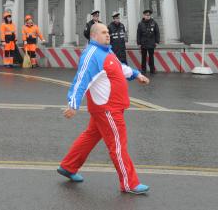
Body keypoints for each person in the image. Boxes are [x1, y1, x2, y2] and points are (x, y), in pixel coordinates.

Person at [58, 23, 151, 194]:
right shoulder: (92, 54)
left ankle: (68, 167)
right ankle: (130, 183)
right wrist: (73, 104)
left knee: (90, 137)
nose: (108, 35)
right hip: (108, 110)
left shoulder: (106, 51)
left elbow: (119, 68)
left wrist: (137, 74)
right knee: (118, 145)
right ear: (94, 36)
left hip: (108, 108)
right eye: (103, 32)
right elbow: (81, 80)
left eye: (108, 32)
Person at [137, 9, 160, 74]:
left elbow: (157, 32)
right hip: (143, 43)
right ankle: (143, 70)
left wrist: (157, 41)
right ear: (144, 16)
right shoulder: (140, 24)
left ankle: (152, 70)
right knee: (143, 57)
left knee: (151, 57)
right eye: (146, 15)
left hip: (151, 43)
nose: (148, 16)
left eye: (149, 15)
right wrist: (139, 43)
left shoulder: (154, 23)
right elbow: (138, 34)